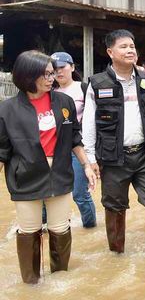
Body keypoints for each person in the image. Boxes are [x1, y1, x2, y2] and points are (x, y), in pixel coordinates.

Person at [0, 50, 98, 284]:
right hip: (25, 175)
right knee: (29, 229)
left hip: (60, 172)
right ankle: (31, 283)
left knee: (59, 227)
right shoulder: (7, 109)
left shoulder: (63, 102)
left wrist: (86, 165)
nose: (51, 78)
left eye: (52, 73)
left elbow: (75, 138)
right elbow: (2, 150)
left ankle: (59, 281)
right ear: (27, 75)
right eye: (44, 74)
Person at [82, 29, 145, 255]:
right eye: (123, 46)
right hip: (113, 158)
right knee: (114, 206)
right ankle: (116, 253)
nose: (130, 50)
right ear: (110, 52)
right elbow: (89, 123)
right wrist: (90, 158)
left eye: (132, 46)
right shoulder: (97, 83)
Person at [51, 51, 98, 227]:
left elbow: (95, 119)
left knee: (79, 193)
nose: (58, 72)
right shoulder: (49, 91)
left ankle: (90, 227)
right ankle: (49, 228)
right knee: (50, 193)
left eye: (62, 67)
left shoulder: (84, 88)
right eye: (54, 69)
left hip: (80, 148)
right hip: (56, 150)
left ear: (72, 67)